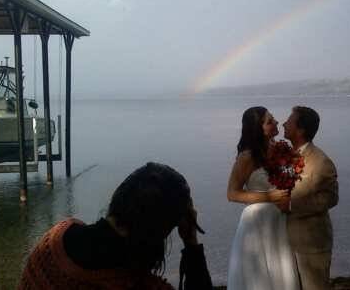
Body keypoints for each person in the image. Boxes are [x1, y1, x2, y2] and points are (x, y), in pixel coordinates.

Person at [18, 162, 213, 290]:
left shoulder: (54, 241)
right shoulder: (140, 284)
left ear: (119, 196)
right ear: (160, 230)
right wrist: (191, 244)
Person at [226, 106, 300, 290]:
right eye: (269, 121)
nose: (276, 122)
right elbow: (232, 193)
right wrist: (268, 196)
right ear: (257, 128)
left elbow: (292, 181)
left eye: (273, 119)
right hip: (257, 224)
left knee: (280, 271)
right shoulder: (247, 156)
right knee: (259, 277)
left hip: (279, 222)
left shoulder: (281, 149)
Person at [283, 106, 339, 290]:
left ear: (300, 130)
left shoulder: (320, 161)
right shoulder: (285, 156)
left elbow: (331, 198)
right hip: (284, 242)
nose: (284, 123)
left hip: (311, 244)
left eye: (289, 122)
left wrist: (291, 205)